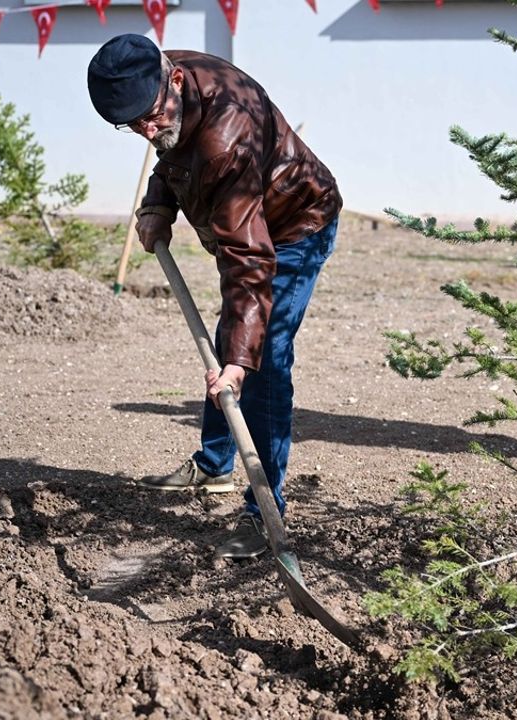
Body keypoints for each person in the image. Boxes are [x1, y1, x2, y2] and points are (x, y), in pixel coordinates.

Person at [87, 34, 342, 558]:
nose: (146, 131)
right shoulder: (160, 80)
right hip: (248, 228)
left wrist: (240, 363)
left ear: (175, 81)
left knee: (262, 359)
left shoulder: (226, 142)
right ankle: (215, 465)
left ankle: (264, 511)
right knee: (234, 336)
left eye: (149, 117)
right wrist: (158, 204)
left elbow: (249, 260)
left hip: (295, 224)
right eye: (131, 125)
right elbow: (171, 150)